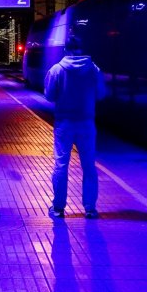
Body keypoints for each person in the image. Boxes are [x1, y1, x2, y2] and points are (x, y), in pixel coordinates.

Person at [44, 33, 106, 219]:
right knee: (89, 165)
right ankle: (90, 208)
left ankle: (58, 207)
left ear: (66, 49)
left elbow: (49, 96)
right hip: (86, 122)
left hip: (64, 123)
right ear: (81, 48)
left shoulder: (56, 70)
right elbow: (101, 93)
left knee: (61, 164)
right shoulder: (93, 69)